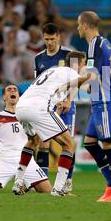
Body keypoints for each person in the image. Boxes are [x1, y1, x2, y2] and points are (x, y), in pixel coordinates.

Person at [12, 51, 92, 196]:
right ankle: (58, 188)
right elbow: (82, 84)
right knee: (69, 144)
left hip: (21, 107)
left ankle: (18, 182)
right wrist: (88, 79)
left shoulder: (52, 70)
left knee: (32, 141)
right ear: (76, 63)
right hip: (39, 108)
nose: (85, 65)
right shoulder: (70, 72)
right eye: (83, 62)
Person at [77, 11, 111, 202]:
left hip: (105, 102)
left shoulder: (94, 45)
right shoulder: (106, 43)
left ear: (85, 26)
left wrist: (70, 84)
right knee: (90, 143)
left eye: (78, 25)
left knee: (108, 144)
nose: (77, 28)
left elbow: (92, 76)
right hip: (102, 100)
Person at [33, 23, 76, 193]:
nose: (49, 42)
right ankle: (41, 180)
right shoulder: (38, 58)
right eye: (46, 39)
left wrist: (69, 101)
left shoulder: (68, 54)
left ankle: (67, 181)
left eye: (52, 39)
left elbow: (76, 80)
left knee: (68, 143)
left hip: (65, 106)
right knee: (43, 142)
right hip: (46, 107)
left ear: (58, 36)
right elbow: (36, 83)